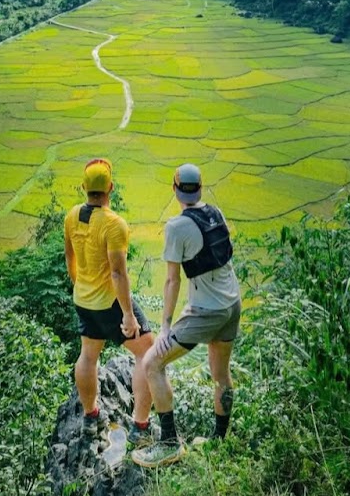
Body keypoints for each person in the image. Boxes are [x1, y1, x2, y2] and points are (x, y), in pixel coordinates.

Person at [132, 162, 241, 468]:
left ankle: (168, 443)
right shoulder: (216, 213)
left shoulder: (177, 226)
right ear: (201, 189)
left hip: (207, 310)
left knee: (153, 362)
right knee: (220, 375)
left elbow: (172, 279)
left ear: (175, 189)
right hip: (232, 305)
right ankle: (220, 442)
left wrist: (165, 327)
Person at [64, 157, 154, 438]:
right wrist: (127, 314)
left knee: (88, 356)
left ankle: (91, 417)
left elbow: (71, 259)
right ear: (110, 188)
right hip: (109, 303)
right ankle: (141, 425)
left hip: (83, 299)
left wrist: (81, 285)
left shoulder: (71, 216)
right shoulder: (114, 224)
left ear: (83, 187)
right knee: (148, 353)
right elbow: (117, 273)